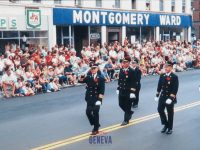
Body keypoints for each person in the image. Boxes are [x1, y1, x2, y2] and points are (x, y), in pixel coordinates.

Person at [78, 65, 105, 135]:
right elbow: (80, 81)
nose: (93, 70)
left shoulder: (101, 78)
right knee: (88, 113)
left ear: (97, 69)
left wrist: (100, 99)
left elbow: (102, 90)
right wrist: (81, 76)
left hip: (96, 98)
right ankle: (96, 123)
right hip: (90, 98)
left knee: (95, 113)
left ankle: (96, 129)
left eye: (94, 69)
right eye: (92, 69)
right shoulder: (88, 77)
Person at [155, 62, 179, 134]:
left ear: (171, 68)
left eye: (168, 67)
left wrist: (171, 98)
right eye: (165, 67)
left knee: (170, 113)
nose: (166, 68)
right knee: (160, 110)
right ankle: (166, 124)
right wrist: (157, 95)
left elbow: (175, 89)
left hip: (169, 97)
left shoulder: (174, 77)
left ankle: (170, 128)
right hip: (162, 96)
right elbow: (159, 86)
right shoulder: (162, 76)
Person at [116, 57, 137, 126]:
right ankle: (129, 112)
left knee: (128, 105)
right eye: (124, 63)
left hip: (128, 91)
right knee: (121, 104)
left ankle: (126, 120)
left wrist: (132, 92)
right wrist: (118, 88)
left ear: (128, 63)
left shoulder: (132, 71)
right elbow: (120, 80)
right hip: (122, 90)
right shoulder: (121, 70)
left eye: (127, 63)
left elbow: (134, 82)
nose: (125, 64)